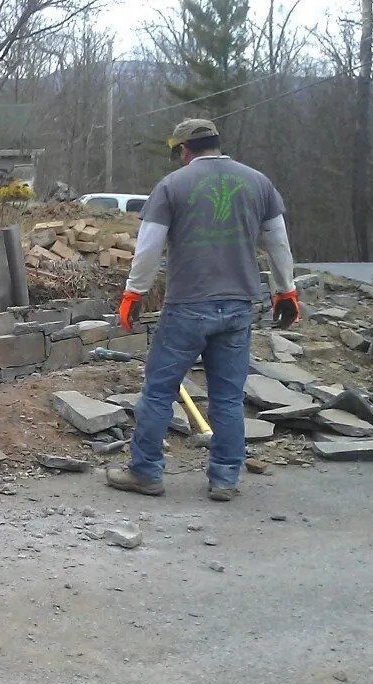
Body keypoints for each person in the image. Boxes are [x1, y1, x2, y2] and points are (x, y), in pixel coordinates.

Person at [106, 118, 299, 502]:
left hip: (188, 307)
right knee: (228, 398)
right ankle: (225, 478)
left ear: (184, 151)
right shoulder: (258, 183)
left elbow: (148, 247)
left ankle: (145, 472)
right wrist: (286, 291)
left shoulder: (171, 186)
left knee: (159, 393)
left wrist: (133, 293)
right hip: (239, 306)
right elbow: (278, 242)